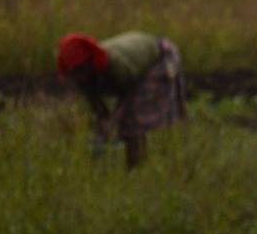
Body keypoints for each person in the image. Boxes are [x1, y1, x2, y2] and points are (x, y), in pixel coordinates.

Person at [55, 31, 187, 169]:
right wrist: (103, 120)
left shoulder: (115, 65)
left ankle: (136, 167)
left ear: (89, 62)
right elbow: (94, 101)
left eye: (80, 70)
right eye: (73, 72)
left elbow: (129, 94)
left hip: (160, 58)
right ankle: (131, 165)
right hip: (136, 67)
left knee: (133, 118)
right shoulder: (79, 76)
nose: (78, 75)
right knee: (118, 122)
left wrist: (113, 121)